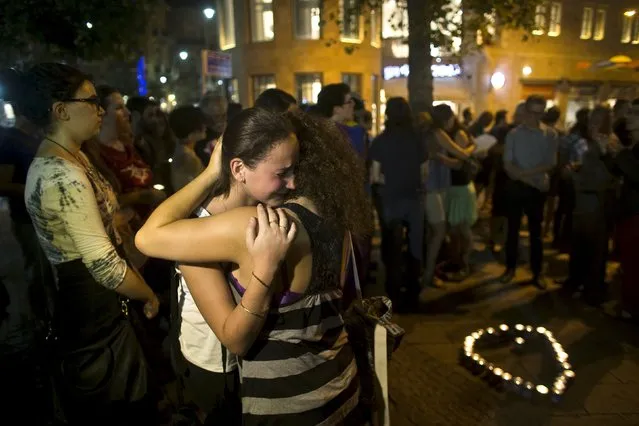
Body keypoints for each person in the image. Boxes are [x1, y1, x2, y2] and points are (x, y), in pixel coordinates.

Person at [136, 109, 371, 425]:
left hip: (290, 406)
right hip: (341, 386)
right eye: (282, 172)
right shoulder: (325, 213)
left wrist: (209, 174)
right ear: (238, 168)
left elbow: (149, 236)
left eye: (295, 168)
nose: (292, 182)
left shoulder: (258, 225)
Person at [21, 63, 160, 425]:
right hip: (93, 305)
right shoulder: (61, 174)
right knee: (119, 403)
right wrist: (147, 295)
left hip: (87, 297)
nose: (100, 110)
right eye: (92, 101)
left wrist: (112, 220)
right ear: (61, 110)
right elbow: (104, 266)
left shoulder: (74, 155)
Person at [370, 97, 427, 309]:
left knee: (391, 246)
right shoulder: (418, 140)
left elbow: (375, 176)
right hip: (413, 197)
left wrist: (392, 178)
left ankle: (392, 290)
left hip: (391, 199)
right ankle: (413, 291)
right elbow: (424, 173)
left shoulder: (380, 141)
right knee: (414, 246)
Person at [501, 95, 558, 289]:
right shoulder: (514, 134)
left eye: (538, 113)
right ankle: (510, 268)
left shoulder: (550, 134)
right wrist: (526, 176)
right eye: (531, 112)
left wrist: (524, 173)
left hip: (536, 187)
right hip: (520, 186)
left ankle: (536, 272)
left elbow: (551, 162)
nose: (534, 117)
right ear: (526, 111)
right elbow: (507, 164)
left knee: (536, 233)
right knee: (512, 231)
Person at [169, 105, 207, 191]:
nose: (205, 127)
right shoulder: (187, 158)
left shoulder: (184, 150)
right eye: (200, 125)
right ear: (191, 132)